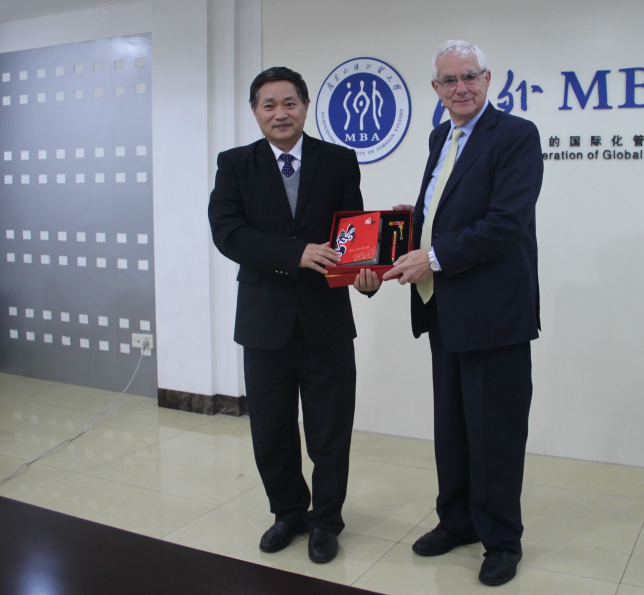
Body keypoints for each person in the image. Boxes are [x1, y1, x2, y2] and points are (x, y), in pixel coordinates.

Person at [383, 41, 543, 586]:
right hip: (444, 309)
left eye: (469, 76)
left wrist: (431, 255)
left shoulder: (516, 135)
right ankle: (457, 521)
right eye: (449, 80)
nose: (461, 88)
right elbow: (450, 205)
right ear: (436, 89)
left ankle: (501, 540)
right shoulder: (441, 136)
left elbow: (506, 222)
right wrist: (417, 220)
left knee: (495, 432)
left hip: (494, 313)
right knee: (451, 426)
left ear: (488, 78)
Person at [208, 67, 381, 565]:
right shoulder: (235, 164)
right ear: (255, 112)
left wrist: (366, 275)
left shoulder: (338, 160)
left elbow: (354, 235)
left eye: (289, 103)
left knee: (330, 431)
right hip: (264, 322)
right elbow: (228, 233)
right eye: (269, 105)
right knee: (271, 430)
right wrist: (295, 253)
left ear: (305, 106)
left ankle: (326, 521)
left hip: (326, 319)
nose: (280, 113)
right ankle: (287, 512)